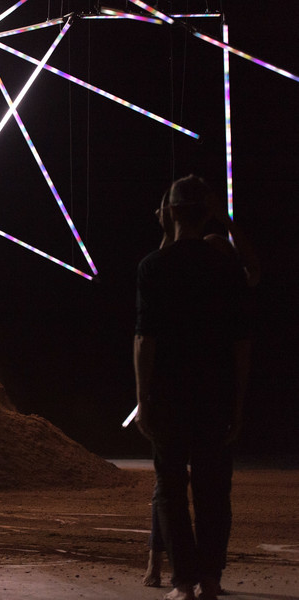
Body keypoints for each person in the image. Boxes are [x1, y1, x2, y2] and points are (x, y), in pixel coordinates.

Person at [134, 175, 251, 600]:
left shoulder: (153, 266)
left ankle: (183, 582)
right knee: (214, 490)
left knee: (170, 488)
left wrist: (142, 398)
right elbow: (241, 343)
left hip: (168, 395)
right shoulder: (227, 268)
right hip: (215, 394)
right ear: (207, 214)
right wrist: (238, 403)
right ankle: (211, 579)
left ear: (170, 213)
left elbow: (145, 340)